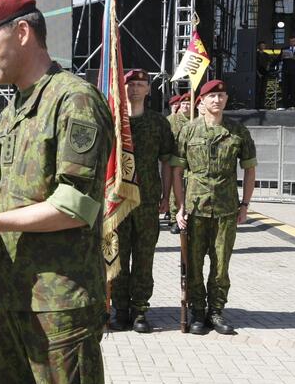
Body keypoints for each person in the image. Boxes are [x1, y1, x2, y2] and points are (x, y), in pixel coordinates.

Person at [0, 0, 112, 384]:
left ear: (21, 33)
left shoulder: (74, 100)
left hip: (60, 307)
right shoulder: (12, 111)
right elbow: (11, 193)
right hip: (13, 297)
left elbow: (74, 206)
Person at [172, 79, 256, 335]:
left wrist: (244, 205)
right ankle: (198, 311)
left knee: (221, 264)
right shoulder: (188, 131)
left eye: (221, 96)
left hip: (226, 208)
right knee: (194, 263)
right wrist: (179, 207)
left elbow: (250, 170)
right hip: (195, 207)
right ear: (202, 102)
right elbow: (177, 171)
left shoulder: (237, 131)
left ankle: (216, 311)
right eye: (212, 97)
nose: (217, 100)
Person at [109, 69, 173, 333]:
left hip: (147, 202)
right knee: (119, 257)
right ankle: (120, 310)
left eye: (140, 84)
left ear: (148, 89)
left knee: (144, 258)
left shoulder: (158, 123)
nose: (134, 88)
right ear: (121, 89)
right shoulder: (114, 122)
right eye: (130, 84)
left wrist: (166, 196)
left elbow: (167, 161)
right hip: (119, 202)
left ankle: (140, 310)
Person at [168, 92, 192, 234]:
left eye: (188, 104)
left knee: (189, 188)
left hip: (191, 160)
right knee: (175, 188)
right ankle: (173, 218)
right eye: (183, 104)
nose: (186, 106)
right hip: (176, 157)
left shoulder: (196, 120)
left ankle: (187, 217)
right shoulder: (172, 120)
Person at [277, 36, 295, 110]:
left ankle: (293, 105)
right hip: (285, 71)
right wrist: (282, 57)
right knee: (285, 88)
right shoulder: (284, 49)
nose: (292, 42)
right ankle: (284, 105)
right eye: (290, 41)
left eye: (293, 41)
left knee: (294, 88)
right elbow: (278, 59)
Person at [256, 41, 271, 109]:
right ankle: (257, 105)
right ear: (259, 46)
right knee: (258, 90)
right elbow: (255, 65)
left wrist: (268, 66)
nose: (263, 47)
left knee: (263, 90)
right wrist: (258, 73)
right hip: (258, 74)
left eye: (264, 45)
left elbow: (269, 63)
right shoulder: (256, 54)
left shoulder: (267, 55)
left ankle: (262, 105)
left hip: (265, 73)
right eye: (261, 45)